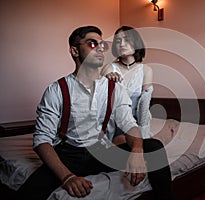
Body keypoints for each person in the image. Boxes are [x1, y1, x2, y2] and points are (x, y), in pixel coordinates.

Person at [17, 26, 172, 200]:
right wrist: (67, 177)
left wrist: (137, 150)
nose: (100, 48)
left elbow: (129, 123)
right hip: (69, 154)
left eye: (102, 45)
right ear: (75, 51)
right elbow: (42, 140)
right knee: (28, 193)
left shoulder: (115, 89)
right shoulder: (57, 90)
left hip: (102, 153)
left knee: (154, 148)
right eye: (92, 43)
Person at [101, 26, 153, 145]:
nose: (122, 44)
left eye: (126, 39)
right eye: (118, 41)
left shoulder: (146, 70)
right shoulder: (109, 68)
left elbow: (144, 106)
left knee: (150, 147)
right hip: (113, 123)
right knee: (121, 142)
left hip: (136, 123)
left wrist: (143, 133)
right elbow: (98, 101)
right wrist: (105, 81)